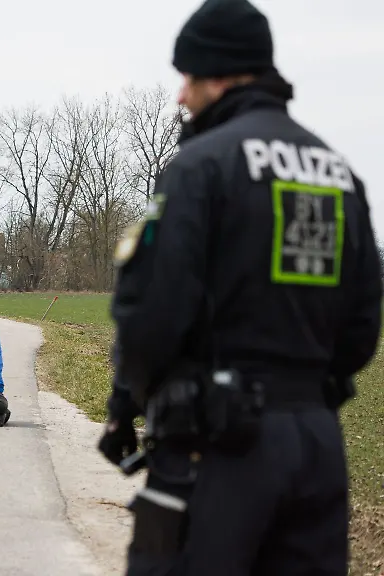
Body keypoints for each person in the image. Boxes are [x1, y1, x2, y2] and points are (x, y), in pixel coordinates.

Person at [101, 1, 382, 574]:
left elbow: (152, 315)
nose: (181, 95)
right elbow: (360, 333)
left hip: (218, 446)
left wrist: (126, 403)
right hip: (317, 448)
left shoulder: (202, 167)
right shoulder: (341, 176)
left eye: (189, 77)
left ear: (221, 75)